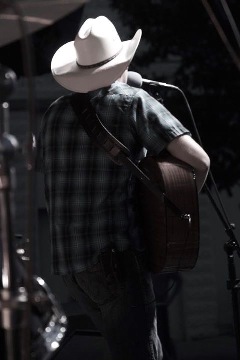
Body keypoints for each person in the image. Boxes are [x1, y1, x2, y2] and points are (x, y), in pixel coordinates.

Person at [35, 16, 210, 360]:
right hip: (115, 259)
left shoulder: (53, 113)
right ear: (121, 60)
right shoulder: (132, 102)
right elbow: (199, 162)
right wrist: (174, 218)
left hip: (70, 264)